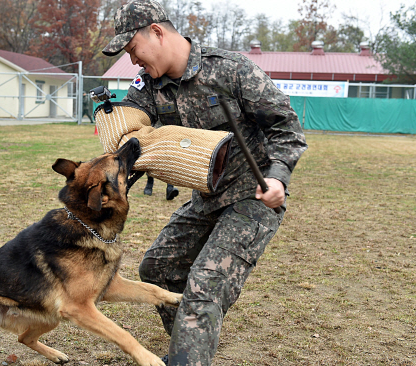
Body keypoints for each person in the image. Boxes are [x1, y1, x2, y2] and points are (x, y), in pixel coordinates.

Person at [102, 1, 308, 365]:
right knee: (158, 269)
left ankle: (188, 350)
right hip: (206, 198)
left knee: (206, 285)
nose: (133, 61)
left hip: (253, 196)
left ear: (157, 32)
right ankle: (194, 340)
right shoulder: (149, 86)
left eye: (133, 49)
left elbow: (286, 128)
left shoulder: (229, 70)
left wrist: (278, 177)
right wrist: (116, 130)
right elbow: (131, 125)